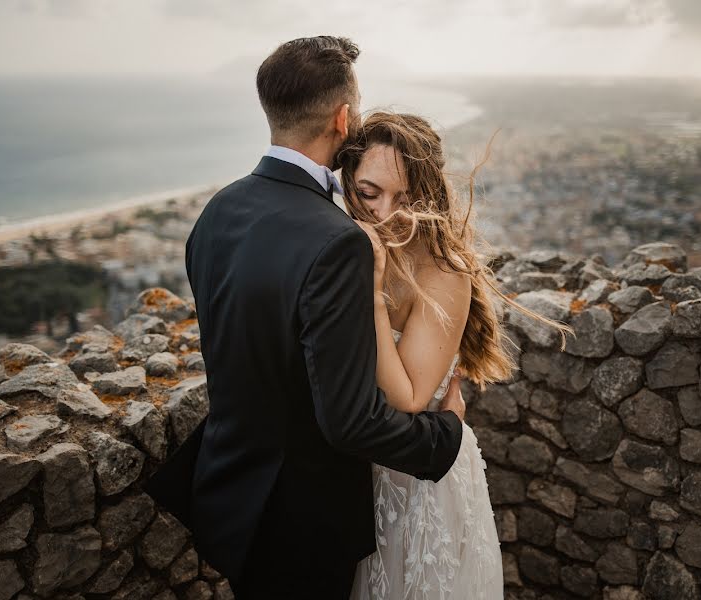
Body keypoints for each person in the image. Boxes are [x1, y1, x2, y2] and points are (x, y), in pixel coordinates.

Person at [144, 36, 467, 600]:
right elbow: (349, 422)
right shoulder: (339, 242)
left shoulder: (217, 211)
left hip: (229, 493)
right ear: (344, 118)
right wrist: (443, 437)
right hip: (301, 518)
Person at [335, 112, 571, 599]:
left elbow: (410, 398)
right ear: (347, 183)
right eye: (368, 192)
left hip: (420, 478)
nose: (383, 213)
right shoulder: (343, 249)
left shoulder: (444, 271)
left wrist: (373, 292)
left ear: (428, 194)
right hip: (357, 476)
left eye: (404, 198)